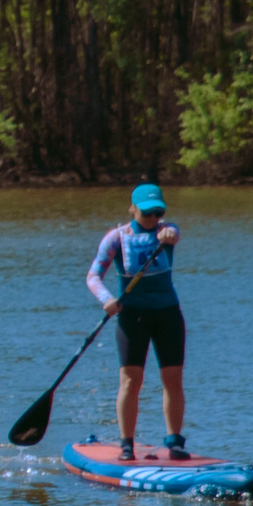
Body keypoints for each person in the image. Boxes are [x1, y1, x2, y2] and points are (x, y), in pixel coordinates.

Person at [88, 182, 187, 462]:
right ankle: (127, 444)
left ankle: (175, 442)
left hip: (168, 313)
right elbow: (93, 276)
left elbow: (174, 232)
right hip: (132, 317)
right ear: (132, 209)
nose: (153, 219)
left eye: (158, 213)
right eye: (147, 213)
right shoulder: (116, 238)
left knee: (173, 379)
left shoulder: (167, 232)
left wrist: (169, 232)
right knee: (131, 380)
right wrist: (107, 300)